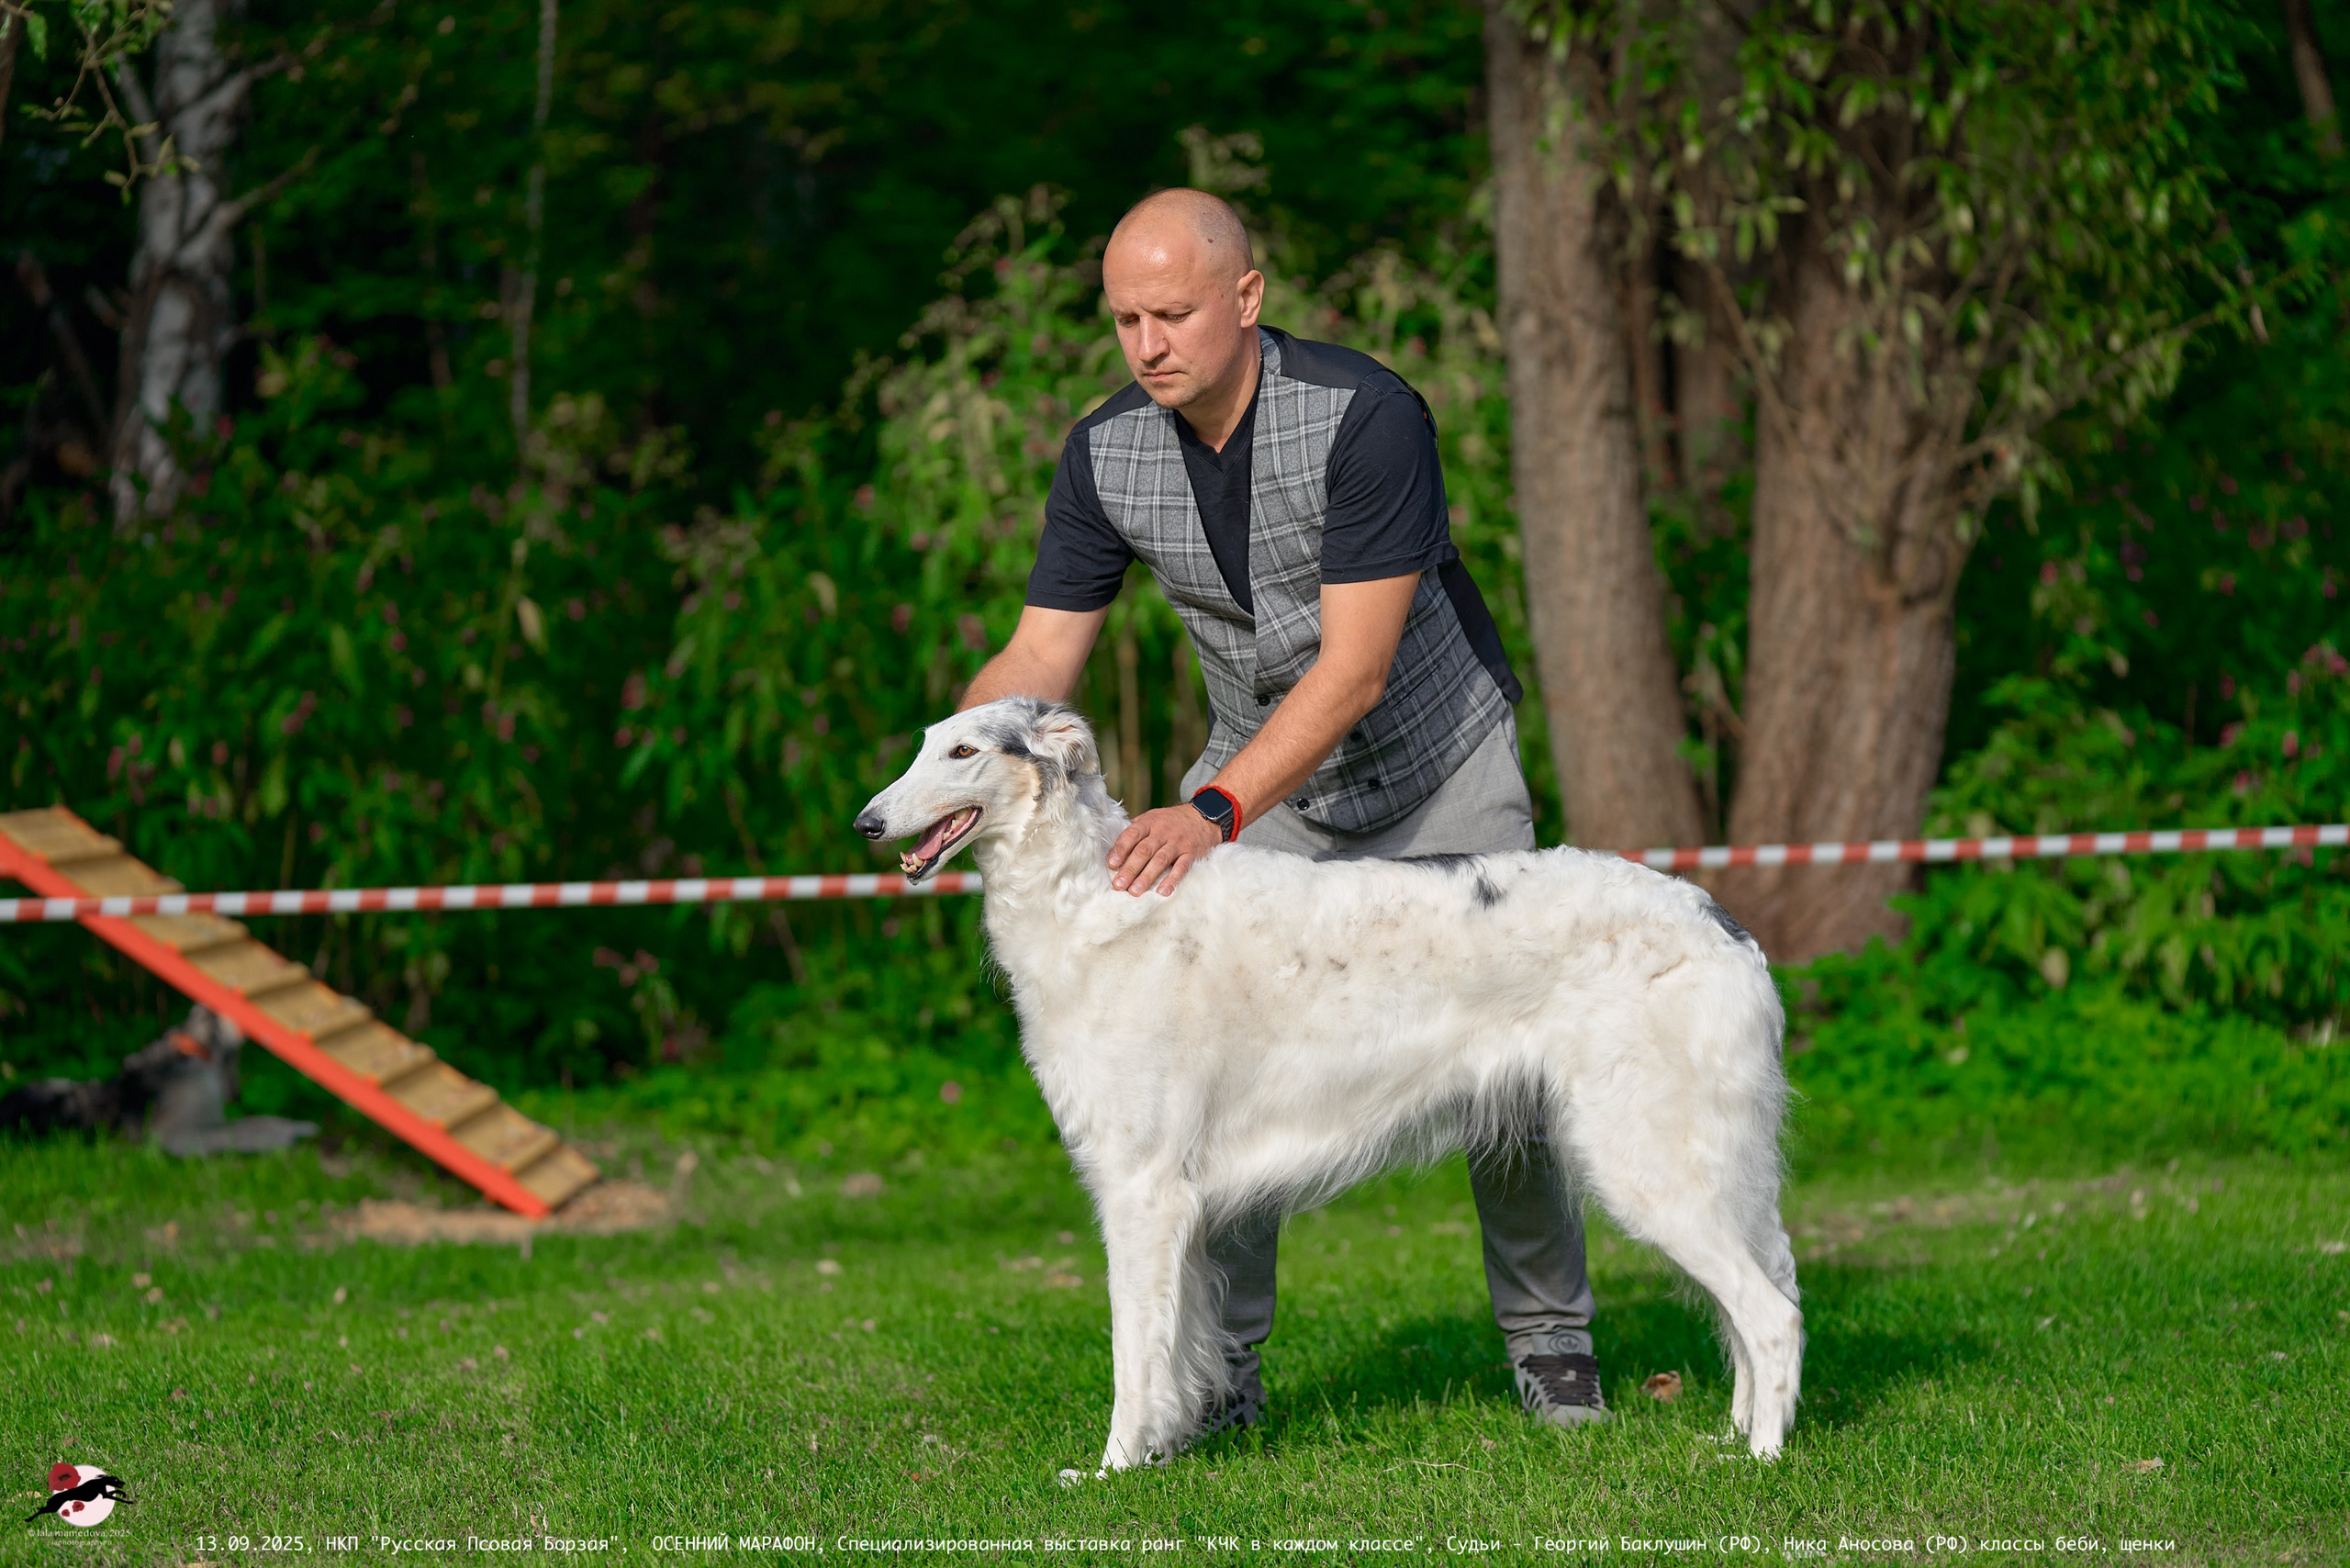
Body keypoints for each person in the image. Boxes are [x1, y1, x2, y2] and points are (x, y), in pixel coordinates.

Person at [957, 187, 1606, 1433]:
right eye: (1124, 319)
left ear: (1245, 300)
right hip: (1258, 781)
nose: (1148, 343)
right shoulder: (1104, 452)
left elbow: (1356, 671)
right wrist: (955, 760)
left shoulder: (1366, 419)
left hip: (1432, 764)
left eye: (1175, 313)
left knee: (1512, 1071)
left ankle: (1551, 1347)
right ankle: (1220, 1381)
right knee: (1216, 1054)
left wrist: (1210, 809)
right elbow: (1041, 654)